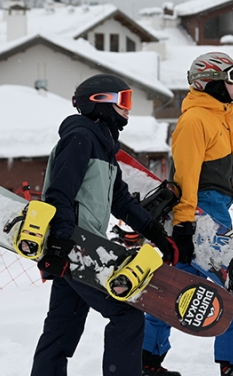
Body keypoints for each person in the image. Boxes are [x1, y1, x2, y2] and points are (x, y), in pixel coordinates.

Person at [31, 74, 179, 376]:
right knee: (126, 314)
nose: (128, 109)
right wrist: (60, 243)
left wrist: (156, 233)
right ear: (100, 102)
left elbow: (121, 200)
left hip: (80, 245)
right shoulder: (80, 137)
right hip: (74, 245)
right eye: (123, 100)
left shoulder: (103, 145)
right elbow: (60, 190)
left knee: (62, 328)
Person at [141, 52, 233, 376]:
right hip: (199, 217)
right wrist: (185, 226)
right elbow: (185, 178)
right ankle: (232, 362)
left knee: (170, 286)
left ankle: (147, 362)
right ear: (212, 82)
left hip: (213, 215)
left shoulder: (221, 118)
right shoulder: (194, 121)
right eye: (231, 77)